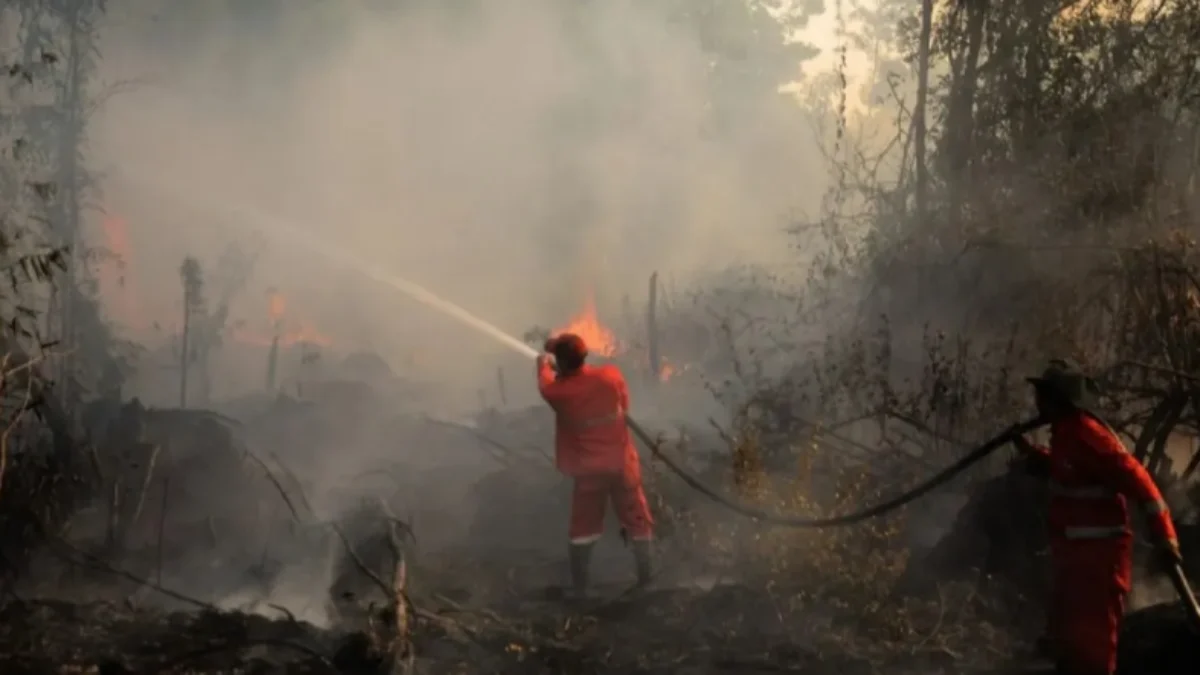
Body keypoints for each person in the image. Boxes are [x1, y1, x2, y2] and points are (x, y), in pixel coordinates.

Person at [1011, 359, 1183, 675]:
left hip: (1101, 566)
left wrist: (1165, 536)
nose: (1038, 403)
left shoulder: (1089, 436)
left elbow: (1141, 483)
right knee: (1065, 644)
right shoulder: (1065, 434)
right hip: (1075, 560)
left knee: (1094, 654)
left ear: (1059, 399)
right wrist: (1039, 461)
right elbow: (1077, 474)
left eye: (1044, 395)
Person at [536, 332, 654, 598]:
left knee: (583, 528)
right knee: (637, 519)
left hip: (590, 470)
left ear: (562, 363)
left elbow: (545, 382)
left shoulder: (557, 392)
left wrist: (542, 363)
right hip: (623, 464)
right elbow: (624, 404)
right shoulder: (610, 376)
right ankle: (647, 579)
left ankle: (581, 589)